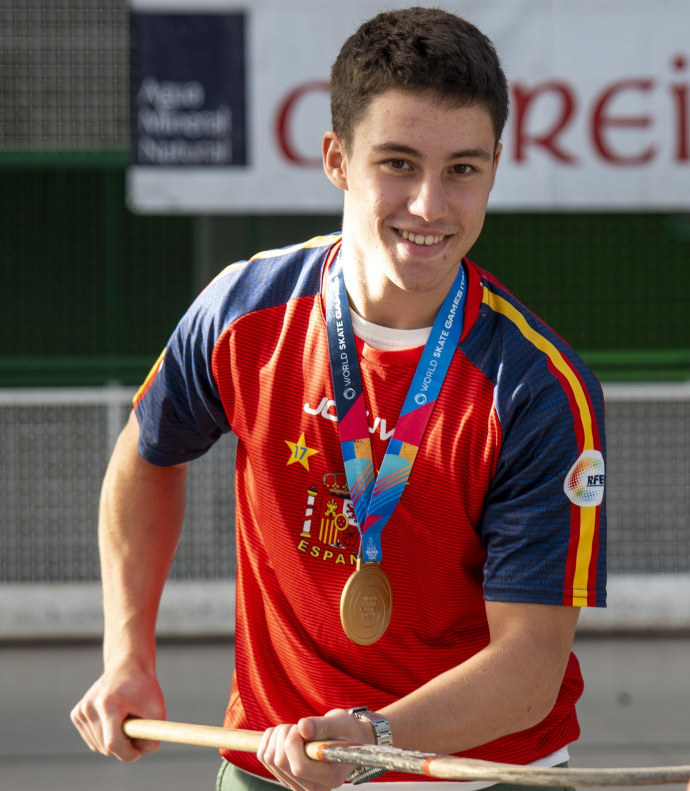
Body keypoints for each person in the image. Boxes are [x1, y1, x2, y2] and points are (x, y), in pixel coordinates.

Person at [70, 7, 607, 791]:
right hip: (273, 762)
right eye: (397, 163)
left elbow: (528, 665)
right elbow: (148, 454)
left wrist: (371, 737)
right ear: (336, 159)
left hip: (476, 772)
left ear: (495, 164)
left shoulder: (539, 387)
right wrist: (127, 653)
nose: (429, 206)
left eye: (462, 169)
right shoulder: (240, 311)